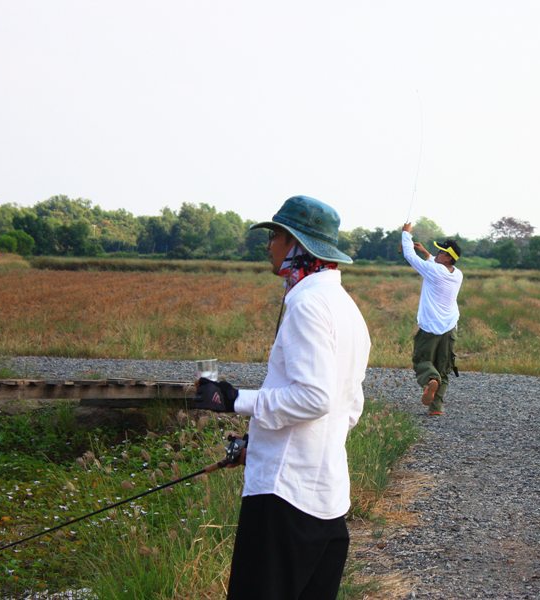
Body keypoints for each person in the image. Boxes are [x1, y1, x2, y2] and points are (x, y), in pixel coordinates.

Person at [193, 195, 371, 599]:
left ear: (296, 245)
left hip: (284, 500)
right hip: (327, 500)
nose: (268, 245)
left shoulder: (307, 304)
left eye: (275, 236)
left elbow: (315, 398)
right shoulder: (347, 309)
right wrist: (261, 444)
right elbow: (348, 407)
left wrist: (234, 399)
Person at [400, 222, 463, 416]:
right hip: (450, 326)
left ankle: (430, 380)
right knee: (444, 365)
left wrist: (406, 235)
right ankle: (436, 408)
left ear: (447, 258)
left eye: (441, 252)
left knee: (422, 360)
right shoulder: (458, 274)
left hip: (430, 327)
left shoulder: (434, 271)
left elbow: (409, 256)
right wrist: (426, 253)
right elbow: (434, 264)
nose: (437, 254)